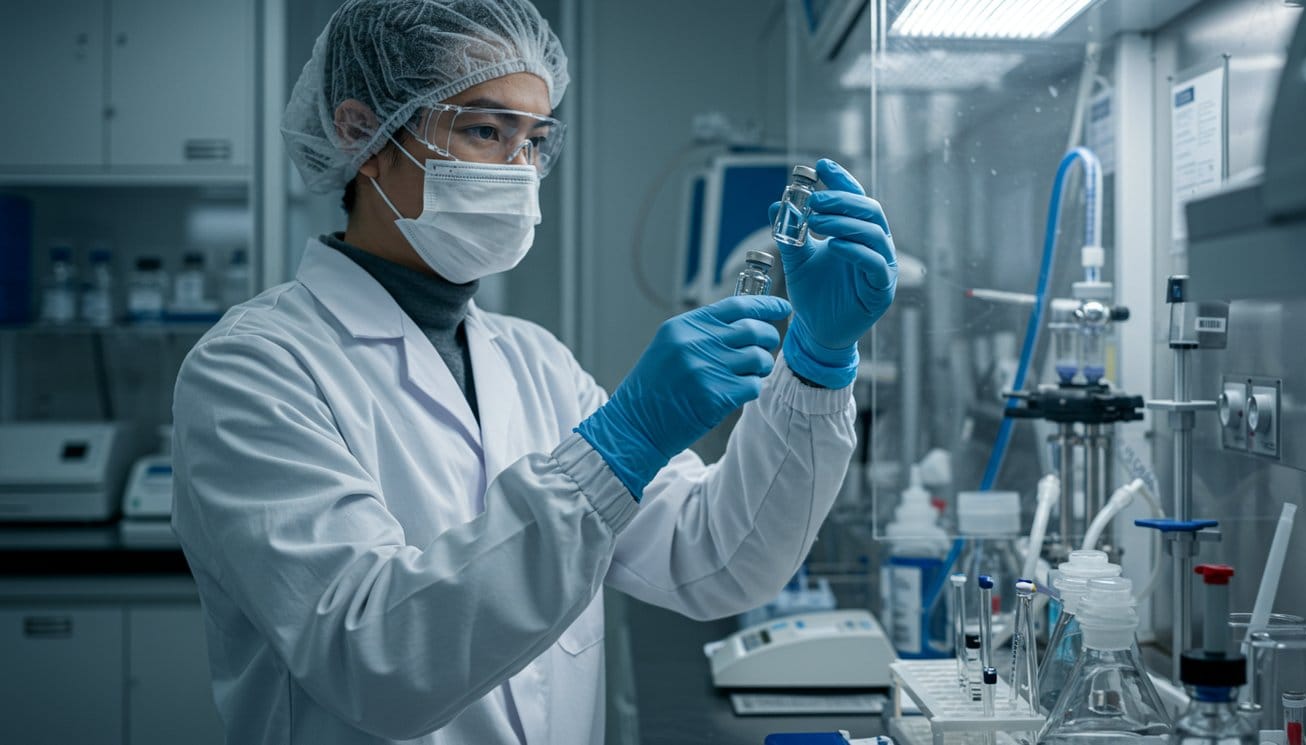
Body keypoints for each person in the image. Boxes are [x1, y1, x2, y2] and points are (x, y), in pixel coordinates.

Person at [170, 0, 898, 743]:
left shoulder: (533, 360)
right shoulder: (252, 370)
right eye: (486, 130)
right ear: (362, 134)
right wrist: (618, 446)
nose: (521, 170)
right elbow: (373, 660)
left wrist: (815, 363)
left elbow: (717, 556)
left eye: (536, 140)